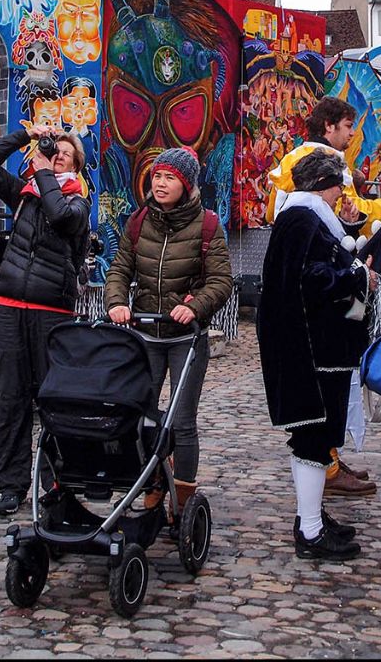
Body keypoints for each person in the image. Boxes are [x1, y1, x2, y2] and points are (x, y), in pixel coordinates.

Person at [267, 96, 381, 495]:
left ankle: (327, 458)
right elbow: (358, 212)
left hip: (318, 290)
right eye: (349, 127)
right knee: (331, 386)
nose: (352, 136)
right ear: (331, 126)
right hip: (330, 300)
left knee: (326, 392)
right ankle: (326, 464)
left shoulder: (292, 160)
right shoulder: (327, 165)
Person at [257, 151, 378, 561]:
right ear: (324, 186)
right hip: (311, 351)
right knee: (313, 437)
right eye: (337, 189)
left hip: (321, 349)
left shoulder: (305, 218)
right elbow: (312, 280)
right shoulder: (302, 219)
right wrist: (358, 275)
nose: (339, 197)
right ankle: (309, 530)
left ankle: (312, 519)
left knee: (317, 437)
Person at [104, 147, 233, 517]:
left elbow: (221, 280)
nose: (160, 183)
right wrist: (116, 301)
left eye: (169, 178)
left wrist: (193, 306)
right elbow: (119, 269)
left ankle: (184, 494)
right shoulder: (139, 221)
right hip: (144, 333)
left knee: (182, 420)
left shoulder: (208, 225)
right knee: (142, 414)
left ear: (186, 184)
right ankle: (149, 484)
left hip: (184, 339)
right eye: (157, 176)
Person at [0, 124, 90, 517]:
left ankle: (55, 484)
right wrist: (24, 136)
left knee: (52, 400)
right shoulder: (24, 195)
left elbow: (58, 215)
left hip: (50, 312)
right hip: (10, 305)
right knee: (9, 399)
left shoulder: (77, 202)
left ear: (77, 165)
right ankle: (11, 485)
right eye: (52, 150)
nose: (56, 156)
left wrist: (43, 171)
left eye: (65, 154)